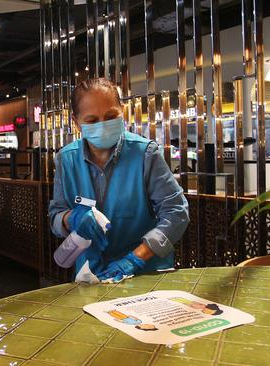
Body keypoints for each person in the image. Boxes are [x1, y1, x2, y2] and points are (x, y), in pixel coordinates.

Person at [49, 78, 189, 282]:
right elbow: (55, 215)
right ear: (76, 122)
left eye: (110, 116)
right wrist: (70, 219)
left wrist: (136, 258)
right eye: (91, 120)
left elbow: (176, 212)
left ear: (122, 111)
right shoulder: (66, 160)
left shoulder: (145, 154)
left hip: (146, 273)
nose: (103, 125)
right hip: (90, 275)